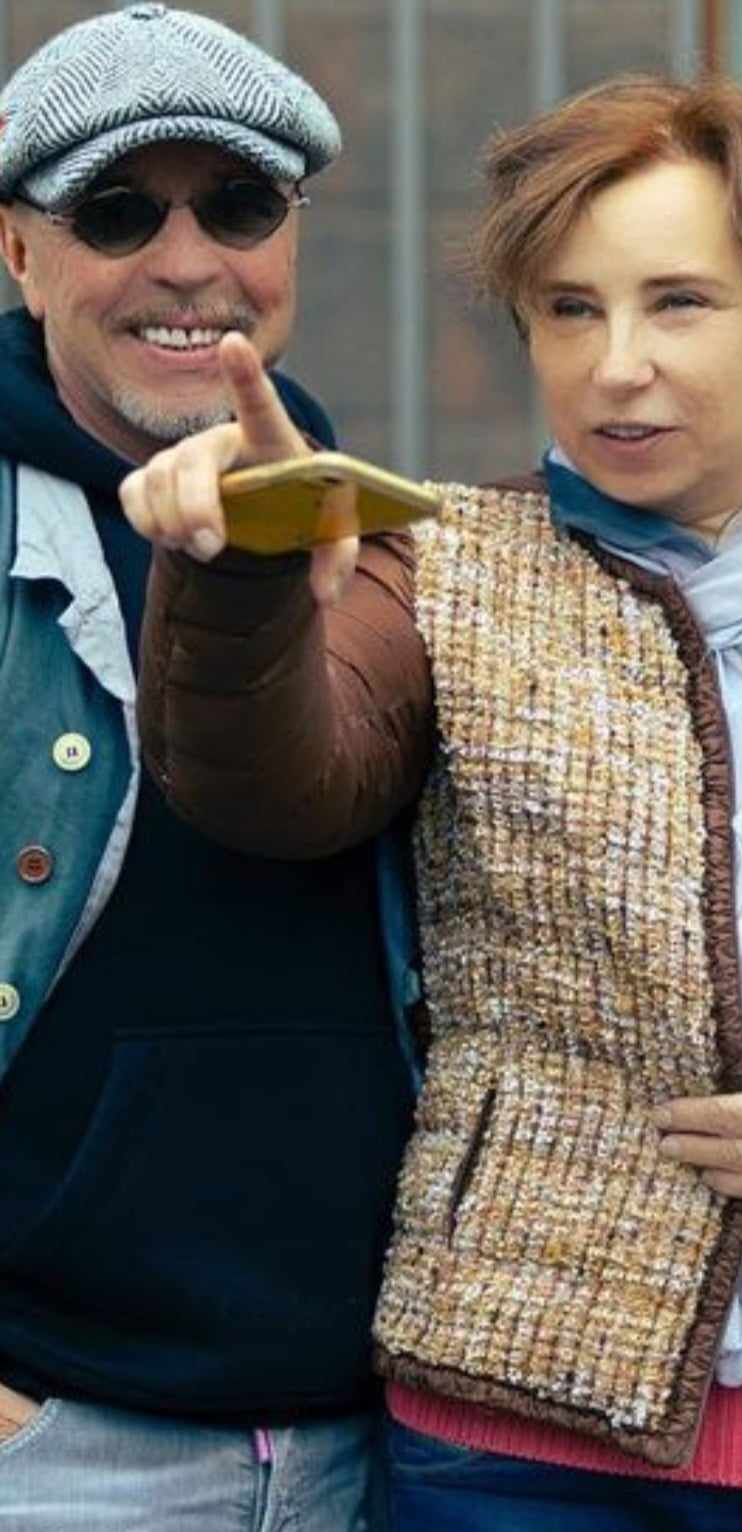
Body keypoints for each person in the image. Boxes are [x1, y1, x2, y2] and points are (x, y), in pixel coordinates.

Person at [120, 74, 742, 1532]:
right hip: (520, 1450)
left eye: (678, 303)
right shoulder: (447, 566)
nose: (616, 366)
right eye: (570, 310)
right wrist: (241, 571)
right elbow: (269, 787)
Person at [0, 6, 428, 1528]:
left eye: (237, 205)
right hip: (59, 1451)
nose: (188, 263)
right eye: (119, 213)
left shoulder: (377, 533)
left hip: (375, 1445)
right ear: (17, 252)